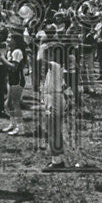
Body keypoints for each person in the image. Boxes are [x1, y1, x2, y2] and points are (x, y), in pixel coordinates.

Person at [38, 42, 70, 170]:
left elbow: (40, 61)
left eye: (48, 53)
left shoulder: (55, 66)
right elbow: (64, 85)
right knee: (54, 131)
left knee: (52, 132)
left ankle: (57, 162)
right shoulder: (57, 68)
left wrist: (41, 47)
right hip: (55, 100)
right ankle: (58, 158)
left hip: (55, 102)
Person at [4, 32, 26, 135]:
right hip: (11, 79)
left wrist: (2, 59)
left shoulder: (17, 51)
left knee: (15, 103)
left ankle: (20, 127)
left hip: (17, 79)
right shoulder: (10, 52)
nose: (7, 39)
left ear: (15, 41)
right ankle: (12, 124)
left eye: (10, 37)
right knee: (8, 104)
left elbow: (14, 67)